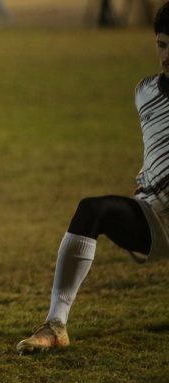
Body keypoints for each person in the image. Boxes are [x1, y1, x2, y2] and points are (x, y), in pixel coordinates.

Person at [16, 2, 169, 355]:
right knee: (92, 210)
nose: (166, 55)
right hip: (154, 215)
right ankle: (55, 325)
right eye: (162, 45)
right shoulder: (145, 91)